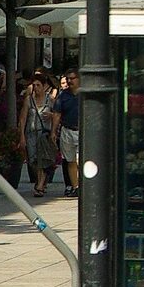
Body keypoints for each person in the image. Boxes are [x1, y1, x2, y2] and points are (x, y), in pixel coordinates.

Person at [20, 72, 58, 198]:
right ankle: (41, 182)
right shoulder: (28, 100)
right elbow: (23, 118)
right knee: (33, 160)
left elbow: (57, 116)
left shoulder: (50, 100)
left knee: (43, 159)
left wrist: (52, 123)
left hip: (44, 134)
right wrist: (22, 136)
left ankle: (40, 185)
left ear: (43, 86)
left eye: (38, 85)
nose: (35, 88)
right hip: (31, 133)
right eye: (34, 85)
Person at [52, 69, 81, 197]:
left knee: (81, 160)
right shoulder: (63, 95)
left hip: (82, 131)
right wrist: (54, 131)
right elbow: (57, 114)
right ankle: (76, 187)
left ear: (79, 79)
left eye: (72, 78)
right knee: (70, 160)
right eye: (68, 78)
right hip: (67, 130)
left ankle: (83, 186)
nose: (69, 81)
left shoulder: (84, 93)